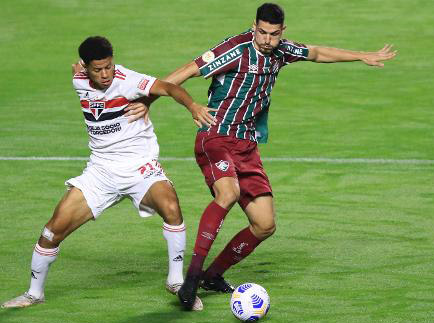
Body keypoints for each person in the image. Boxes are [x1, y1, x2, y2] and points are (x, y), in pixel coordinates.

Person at [121, 3, 397, 310]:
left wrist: (361, 55)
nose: (267, 39)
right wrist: (148, 101)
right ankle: (191, 278)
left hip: (247, 146)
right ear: (254, 26)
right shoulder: (235, 50)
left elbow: (317, 52)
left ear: (282, 32)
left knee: (265, 224)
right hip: (216, 136)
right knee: (228, 193)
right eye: (262, 32)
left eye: (274, 34)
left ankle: (213, 275)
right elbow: (185, 71)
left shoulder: (282, 51)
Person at [1, 36, 217, 310]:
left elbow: (168, 87)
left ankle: (176, 281)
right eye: (97, 69)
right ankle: (34, 294)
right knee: (52, 230)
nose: (105, 74)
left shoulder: (127, 79)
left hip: (140, 166)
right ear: (86, 68)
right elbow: (75, 71)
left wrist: (192, 106)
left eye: (109, 67)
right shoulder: (79, 79)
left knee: (171, 206)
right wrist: (80, 70)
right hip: (100, 172)